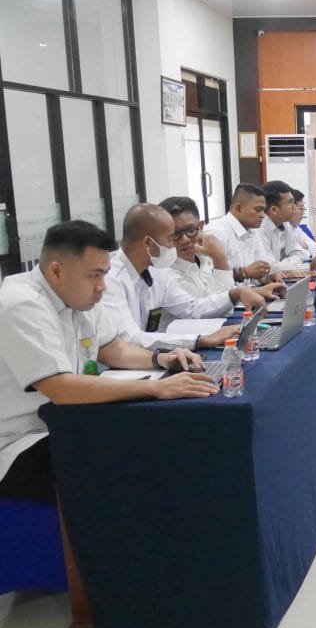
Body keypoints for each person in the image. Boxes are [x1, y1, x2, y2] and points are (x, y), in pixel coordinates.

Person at [0, 221, 216, 503]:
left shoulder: (78, 297)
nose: (102, 286)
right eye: (94, 275)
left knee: (154, 439)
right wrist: (155, 388)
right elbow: (60, 388)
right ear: (56, 271)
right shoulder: (22, 304)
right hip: (20, 440)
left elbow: (112, 348)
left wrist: (161, 359)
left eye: (104, 274)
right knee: (121, 462)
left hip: (65, 421)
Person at [102, 204, 263, 351]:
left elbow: (192, 308)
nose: (174, 245)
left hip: (152, 355)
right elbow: (129, 338)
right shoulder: (110, 278)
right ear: (148, 243)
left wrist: (234, 293)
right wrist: (200, 340)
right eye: (170, 239)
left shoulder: (157, 270)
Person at [159, 197, 285, 301]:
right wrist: (220, 259)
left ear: (201, 227)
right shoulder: (166, 271)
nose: (184, 240)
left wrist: (258, 290)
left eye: (191, 230)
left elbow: (216, 292)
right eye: (175, 234)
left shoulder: (201, 257)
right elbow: (217, 305)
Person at [205, 183, 272, 284]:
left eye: (263, 210)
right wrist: (244, 273)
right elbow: (208, 278)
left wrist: (267, 279)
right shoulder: (216, 233)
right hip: (226, 294)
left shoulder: (252, 232)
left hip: (250, 292)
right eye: (258, 210)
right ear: (238, 208)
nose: (263, 215)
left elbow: (261, 270)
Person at [256, 180, 307, 273]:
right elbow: (269, 268)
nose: (294, 207)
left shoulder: (285, 224)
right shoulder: (259, 229)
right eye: (290, 203)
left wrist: (281, 264)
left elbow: (300, 254)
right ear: (274, 210)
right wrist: (290, 262)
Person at [290, 189, 316, 260]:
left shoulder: (295, 227)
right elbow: (295, 256)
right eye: (301, 208)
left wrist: (304, 245)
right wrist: (301, 248)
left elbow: (315, 247)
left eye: (303, 209)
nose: (303, 213)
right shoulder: (281, 229)